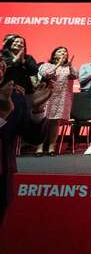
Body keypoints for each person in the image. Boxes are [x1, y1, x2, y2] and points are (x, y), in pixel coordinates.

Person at [1, 59, 50, 222]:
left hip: (3, 175)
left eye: (2, 67)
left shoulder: (16, 96)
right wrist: (3, 115)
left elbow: (34, 138)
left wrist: (37, 110)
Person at [35, 47, 78, 156]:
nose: (63, 53)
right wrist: (58, 64)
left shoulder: (69, 67)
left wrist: (70, 66)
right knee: (44, 122)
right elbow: (46, 74)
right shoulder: (47, 65)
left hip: (62, 98)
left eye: (65, 52)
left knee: (55, 123)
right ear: (54, 55)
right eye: (60, 51)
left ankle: (51, 146)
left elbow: (75, 76)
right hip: (48, 97)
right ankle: (39, 146)